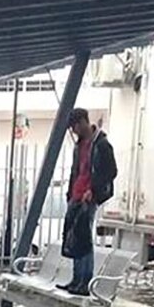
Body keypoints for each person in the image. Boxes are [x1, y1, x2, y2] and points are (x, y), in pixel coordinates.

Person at [58, 108, 117, 296]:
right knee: (74, 237)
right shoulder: (80, 145)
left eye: (75, 126)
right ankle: (76, 279)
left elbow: (111, 171)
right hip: (76, 195)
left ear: (83, 122)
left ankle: (86, 280)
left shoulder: (102, 144)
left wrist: (94, 190)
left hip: (89, 196)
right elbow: (75, 171)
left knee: (84, 237)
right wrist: (70, 193)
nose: (74, 130)